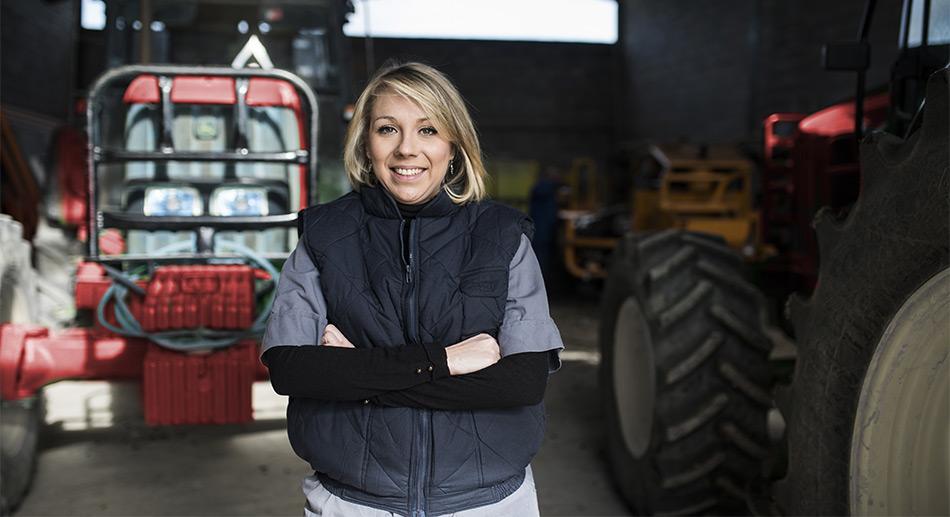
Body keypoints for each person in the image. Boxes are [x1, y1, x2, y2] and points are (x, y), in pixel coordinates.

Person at [261, 62, 564, 517]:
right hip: (354, 504)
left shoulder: (502, 237)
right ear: (367, 141)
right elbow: (293, 371)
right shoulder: (325, 235)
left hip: (487, 505)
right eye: (388, 129)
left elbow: (520, 383)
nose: (407, 149)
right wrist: (446, 361)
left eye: (427, 130)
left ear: (453, 144)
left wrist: (355, 374)